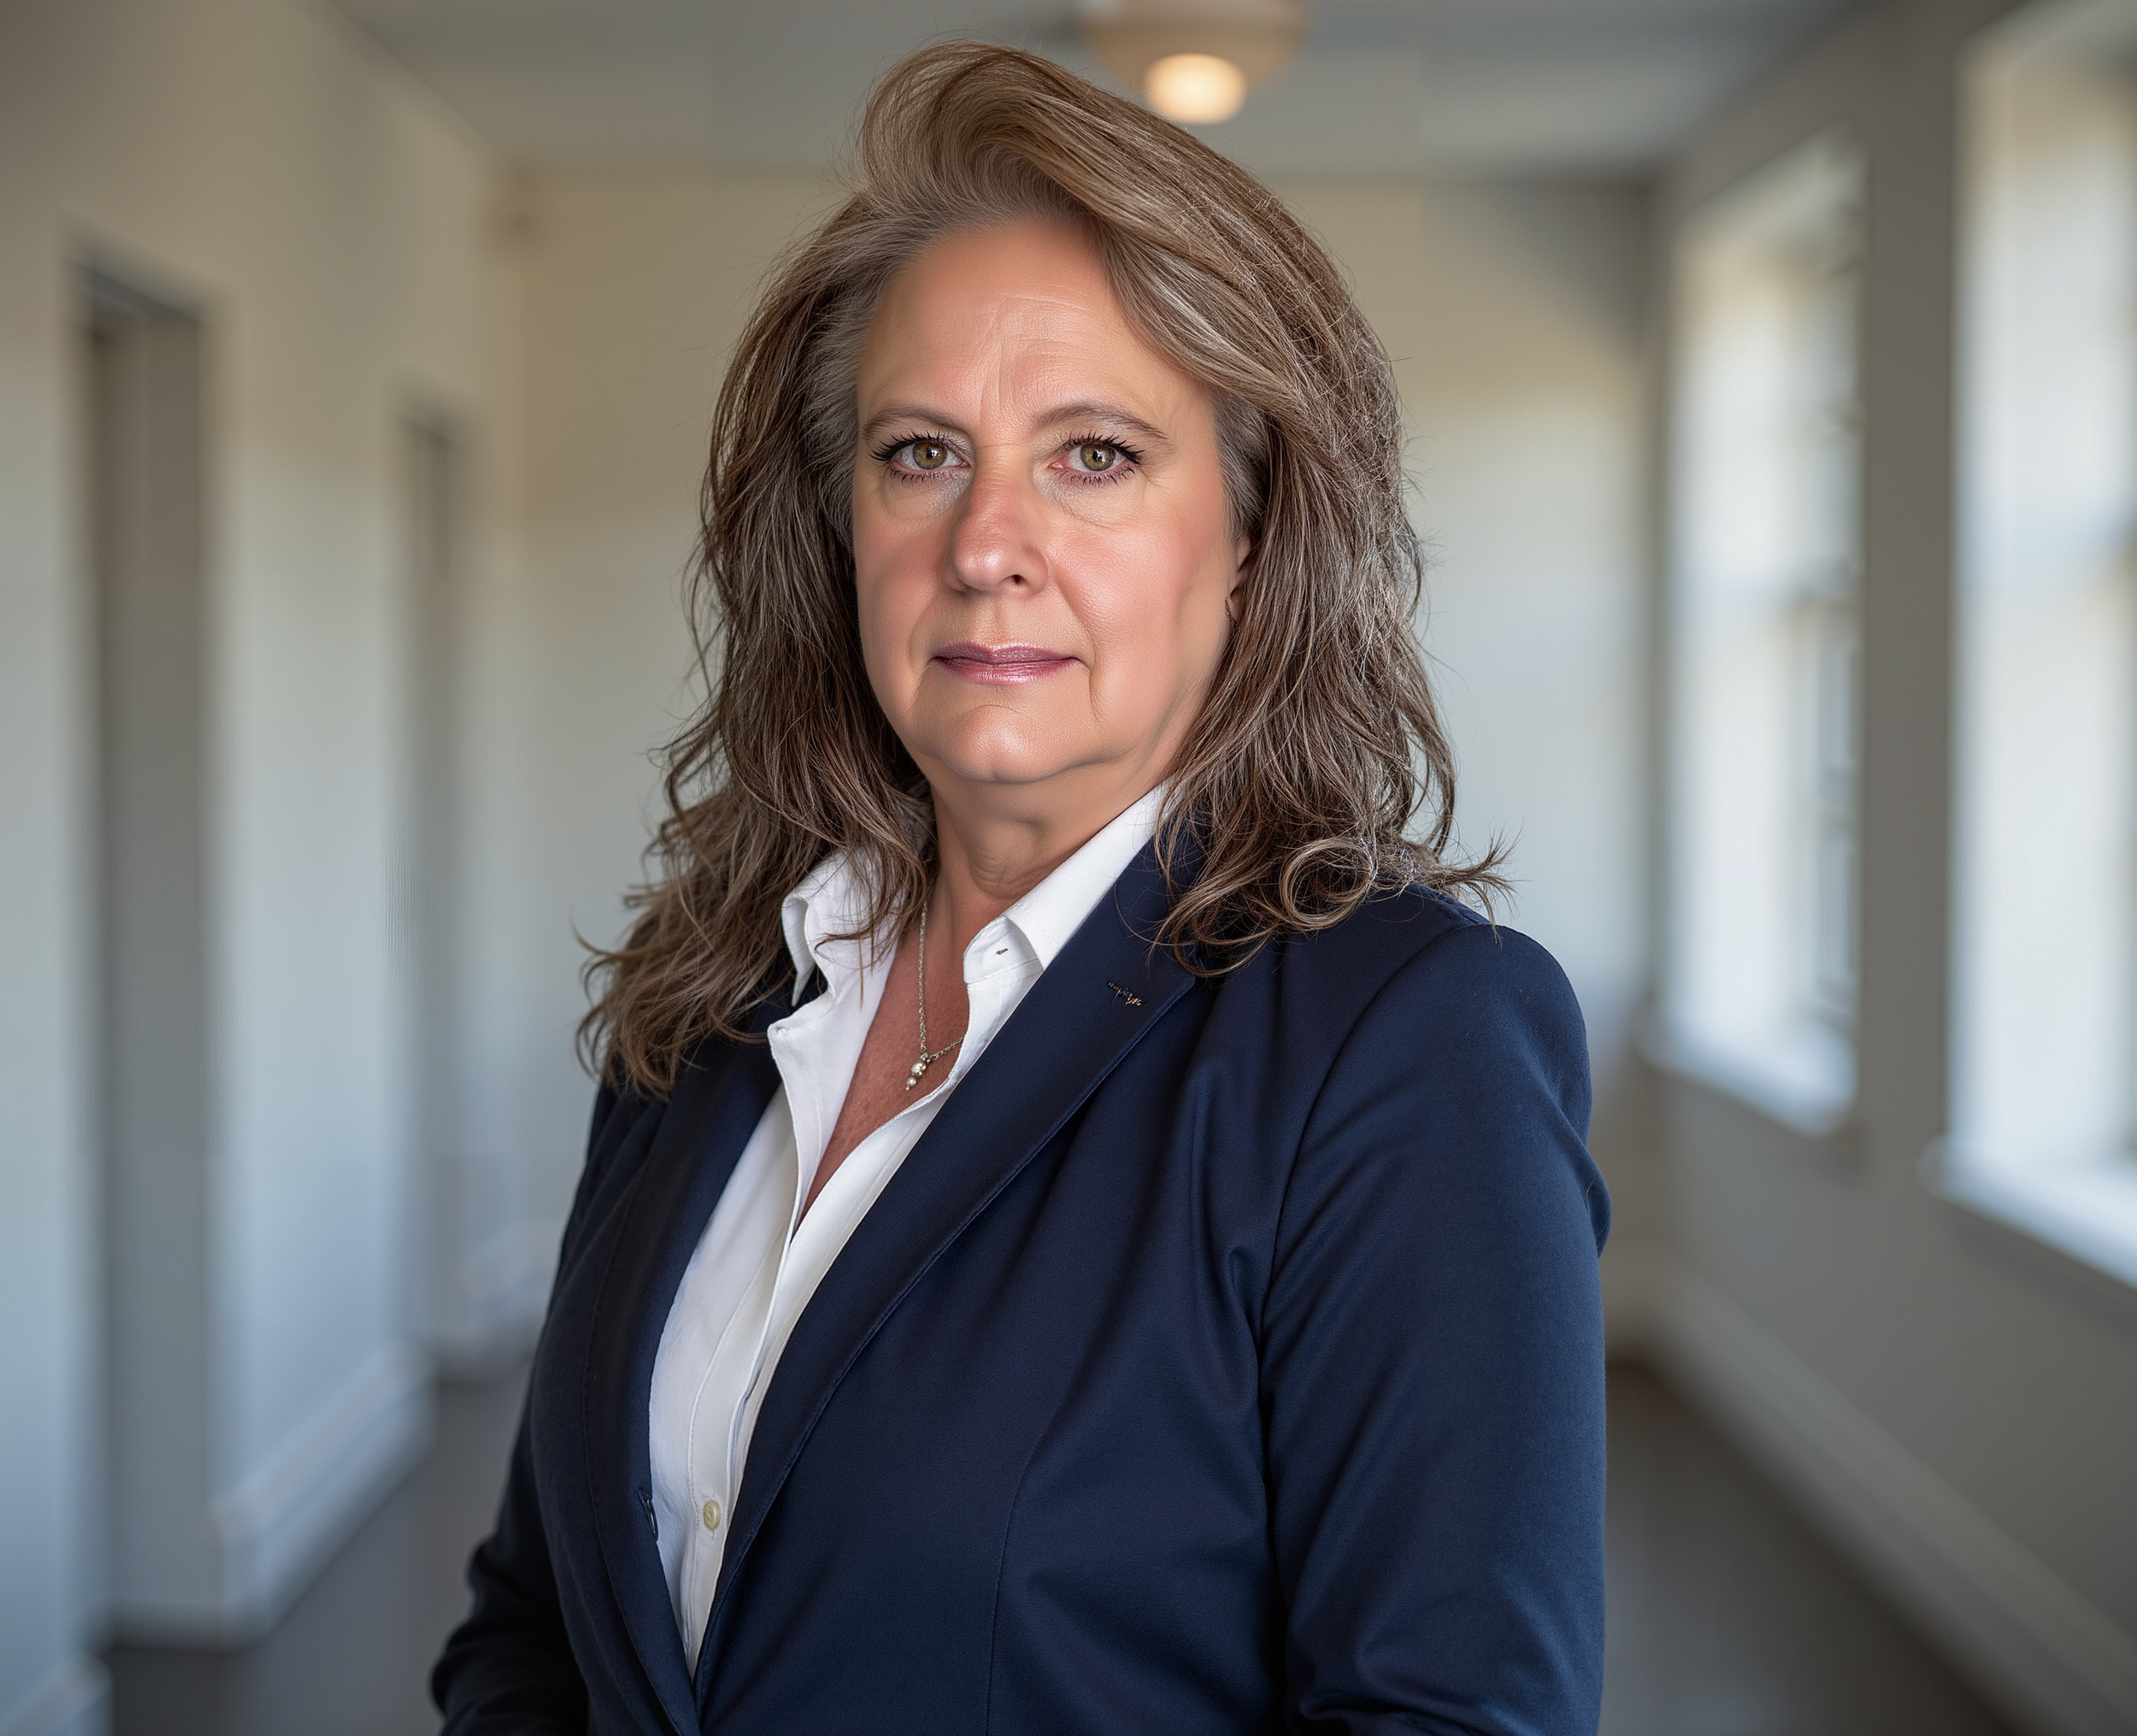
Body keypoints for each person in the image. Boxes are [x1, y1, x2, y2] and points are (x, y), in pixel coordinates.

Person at [433, 39, 1608, 1736]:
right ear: (838, 523)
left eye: (1095, 455)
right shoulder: (718, 993)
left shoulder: (1409, 1042)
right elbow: (534, 1617)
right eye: (920, 451)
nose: (985, 543)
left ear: (1253, 533)